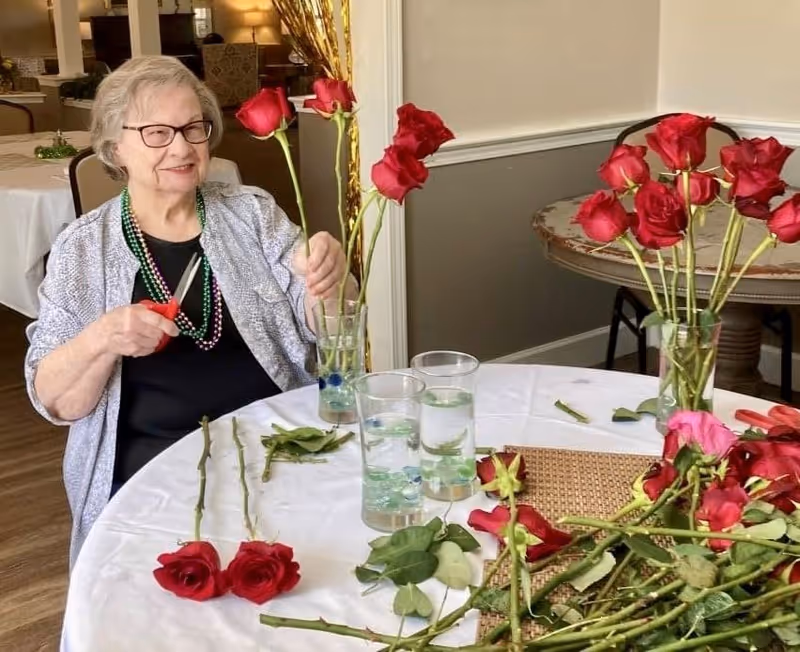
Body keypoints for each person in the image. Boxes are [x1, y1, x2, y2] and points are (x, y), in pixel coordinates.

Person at [24, 55, 352, 566]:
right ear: (116, 148)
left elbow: (322, 328)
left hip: (276, 444)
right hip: (154, 463)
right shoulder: (83, 248)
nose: (181, 147)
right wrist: (104, 337)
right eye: (157, 132)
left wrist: (331, 281)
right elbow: (54, 401)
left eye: (193, 128)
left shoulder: (252, 212)